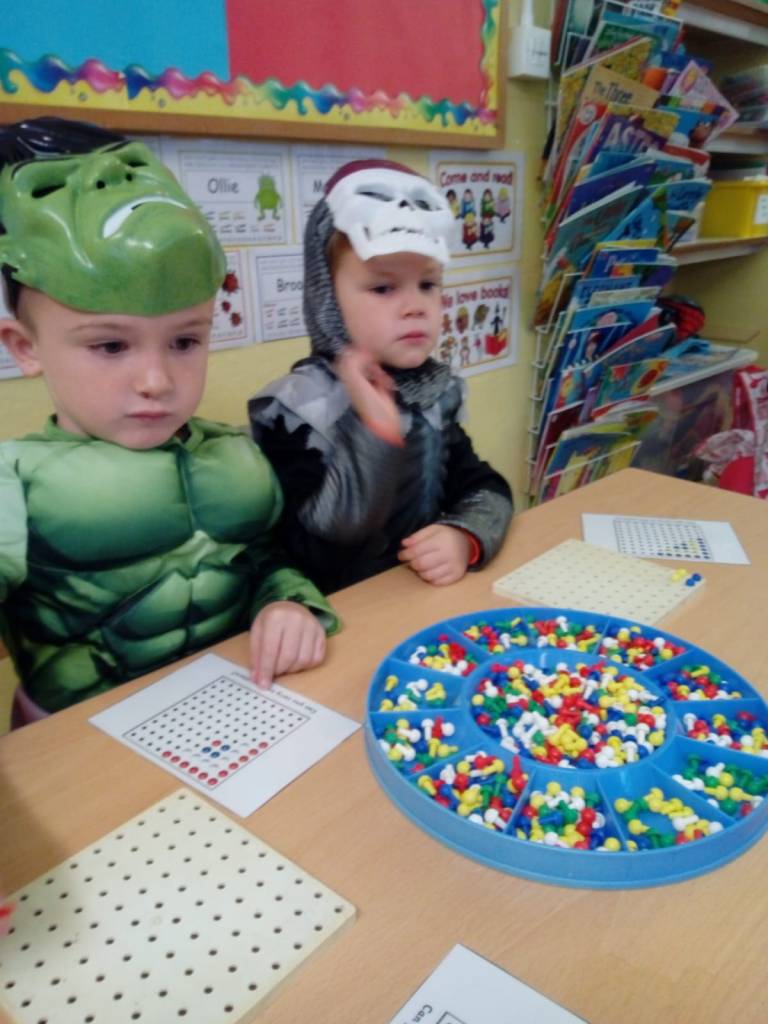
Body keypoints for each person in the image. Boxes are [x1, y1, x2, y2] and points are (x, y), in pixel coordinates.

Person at [0, 117, 338, 719]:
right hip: (77, 740)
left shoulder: (237, 455)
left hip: (233, 708)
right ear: (25, 347)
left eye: (185, 341)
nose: (156, 381)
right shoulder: (13, 483)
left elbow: (263, 562)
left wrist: (288, 605)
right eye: (110, 346)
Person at [248, 159, 513, 594]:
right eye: (384, 288)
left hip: (419, 600)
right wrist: (373, 435)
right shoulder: (295, 410)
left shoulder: (435, 394)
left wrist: (463, 536)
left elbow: (486, 488)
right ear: (327, 298)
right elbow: (317, 545)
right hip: (334, 616)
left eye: (428, 285)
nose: (415, 307)